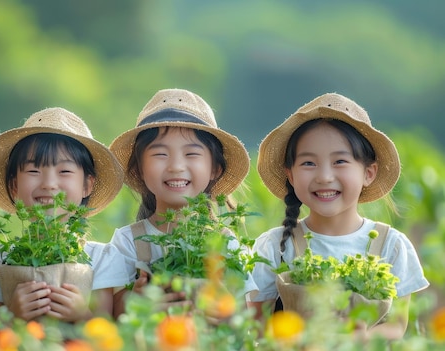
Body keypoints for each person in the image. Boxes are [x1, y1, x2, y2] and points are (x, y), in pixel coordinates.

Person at [249, 92, 429, 340]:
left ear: (369, 173)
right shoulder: (275, 248)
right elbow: (257, 327)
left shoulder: (392, 246)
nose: (324, 176)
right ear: (290, 175)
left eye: (340, 161)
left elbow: (397, 326)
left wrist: (359, 338)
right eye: (309, 163)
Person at [108, 88, 256, 318]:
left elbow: (246, 321)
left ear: (215, 168)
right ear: (139, 169)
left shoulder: (225, 242)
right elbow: (111, 315)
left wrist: (225, 310)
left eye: (191, 154)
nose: (176, 166)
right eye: (160, 154)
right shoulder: (127, 242)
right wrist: (136, 301)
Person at [0, 107, 127, 322]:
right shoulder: (0, 261)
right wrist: (13, 316)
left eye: (65, 171)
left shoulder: (103, 258)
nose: (49, 184)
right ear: (14, 186)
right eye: (33, 171)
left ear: (87, 185)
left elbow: (104, 336)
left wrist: (82, 315)